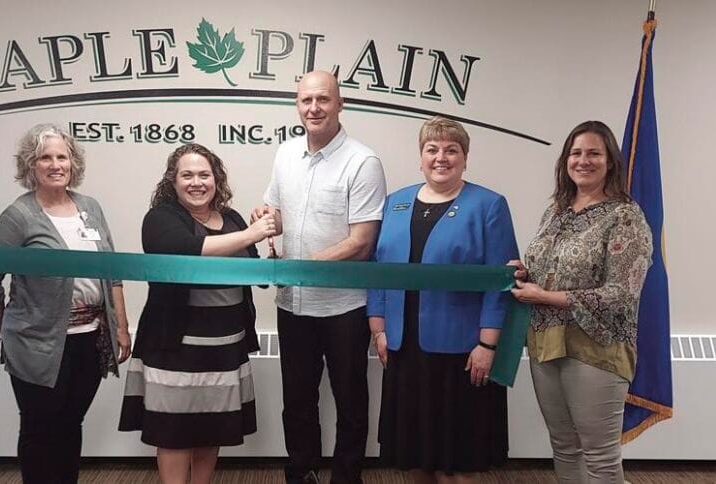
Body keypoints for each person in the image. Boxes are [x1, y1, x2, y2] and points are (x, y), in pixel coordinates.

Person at [252, 70, 387, 484]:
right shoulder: (285, 154)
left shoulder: (363, 162)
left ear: (340, 104)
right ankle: (301, 474)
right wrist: (265, 219)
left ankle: (347, 477)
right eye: (306, 100)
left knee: (350, 401)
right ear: (297, 105)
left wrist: (301, 267)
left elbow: (362, 242)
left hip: (343, 306)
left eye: (323, 100)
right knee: (297, 400)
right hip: (292, 304)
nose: (314, 108)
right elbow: (273, 209)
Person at [367, 116, 518, 483]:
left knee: (456, 459)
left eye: (452, 150)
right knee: (414, 452)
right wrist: (378, 329)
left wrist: (487, 343)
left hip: (461, 352)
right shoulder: (395, 203)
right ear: (420, 157)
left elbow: (502, 281)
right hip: (405, 348)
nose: (441, 157)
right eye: (432, 149)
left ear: (465, 157)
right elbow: (378, 271)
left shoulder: (489, 205)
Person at [119, 143, 275, 484]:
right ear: (172, 182)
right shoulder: (160, 218)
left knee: (211, 428)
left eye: (204, 174)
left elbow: (254, 271)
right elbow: (184, 251)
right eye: (186, 175)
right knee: (173, 433)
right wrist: (251, 234)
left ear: (216, 179)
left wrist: (273, 251)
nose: (196, 182)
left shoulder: (232, 218)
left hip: (224, 346)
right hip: (174, 348)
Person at [0, 123, 132, 483]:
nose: (55, 164)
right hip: (37, 343)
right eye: (45, 157)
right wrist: (8, 322)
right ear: (30, 166)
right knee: (40, 429)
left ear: (73, 163)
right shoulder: (19, 216)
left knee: (71, 423)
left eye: (62, 156)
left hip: (90, 338)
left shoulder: (90, 208)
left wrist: (122, 327)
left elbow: (111, 271)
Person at [510, 120, 652, 483]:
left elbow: (621, 294)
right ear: (565, 161)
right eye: (576, 153)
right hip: (545, 345)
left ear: (610, 162)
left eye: (594, 153)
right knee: (564, 446)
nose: (583, 161)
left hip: (595, 349)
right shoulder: (555, 211)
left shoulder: (625, 216)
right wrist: (526, 274)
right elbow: (553, 268)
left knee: (601, 456)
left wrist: (546, 296)